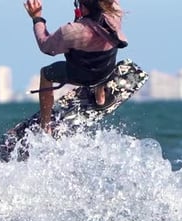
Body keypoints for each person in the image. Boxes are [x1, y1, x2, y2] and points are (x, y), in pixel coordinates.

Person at [24, 0, 128, 133]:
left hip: (80, 76)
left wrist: (37, 17)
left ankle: (45, 126)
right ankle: (100, 97)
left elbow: (46, 47)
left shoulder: (72, 31)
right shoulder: (115, 14)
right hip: (106, 71)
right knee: (102, 58)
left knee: (45, 74)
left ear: (83, 9)